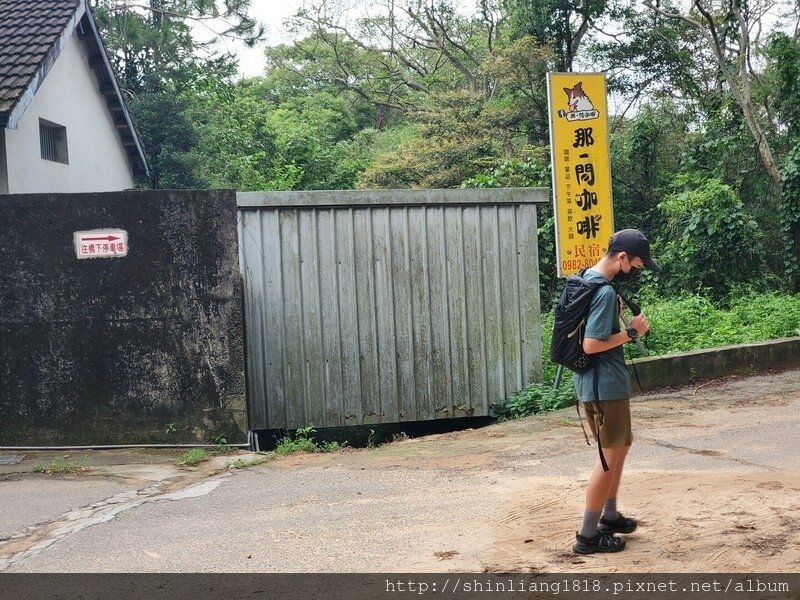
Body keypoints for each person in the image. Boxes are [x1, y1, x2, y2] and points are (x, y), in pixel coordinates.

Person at [572, 229, 662, 554]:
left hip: (594, 382)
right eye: (637, 263)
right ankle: (587, 536)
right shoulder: (604, 292)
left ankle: (608, 517)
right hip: (604, 385)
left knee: (619, 447)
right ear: (622, 257)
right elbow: (592, 344)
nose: (638, 268)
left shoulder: (586, 279)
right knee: (608, 457)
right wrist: (632, 333)